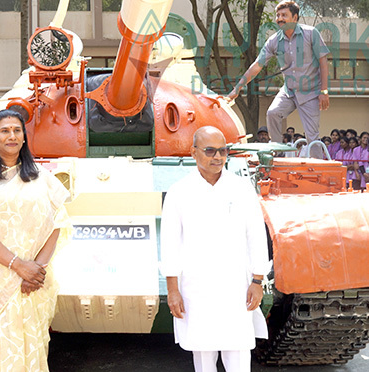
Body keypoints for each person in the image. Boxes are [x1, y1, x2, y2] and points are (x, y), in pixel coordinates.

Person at [0, 109, 71, 372]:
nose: (11, 135)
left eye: (17, 130)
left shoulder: (41, 177)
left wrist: (36, 269)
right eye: (4, 130)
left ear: (24, 137)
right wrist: (18, 265)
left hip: (33, 279)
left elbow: (58, 223)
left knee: (30, 340)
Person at [160, 126, 269, 372]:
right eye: (210, 151)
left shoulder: (241, 189)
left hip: (236, 289)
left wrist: (258, 280)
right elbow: (169, 243)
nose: (217, 157)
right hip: (197, 290)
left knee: (239, 357)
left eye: (223, 151)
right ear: (193, 153)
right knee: (203, 358)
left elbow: (256, 236)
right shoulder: (179, 192)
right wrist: (172, 290)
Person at [226, 1, 330, 158]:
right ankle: (279, 154)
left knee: (312, 135)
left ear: (295, 17)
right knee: (273, 113)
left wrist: (324, 90)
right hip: (289, 91)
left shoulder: (311, 34)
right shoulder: (274, 41)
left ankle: (318, 169)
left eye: (284, 15)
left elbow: (323, 61)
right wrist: (237, 88)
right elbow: (257, 66)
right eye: (278, 15)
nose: (279, 19)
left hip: (310, 92)